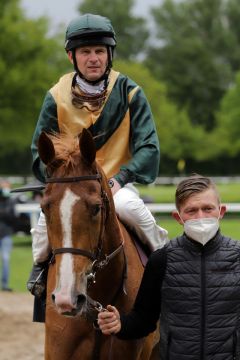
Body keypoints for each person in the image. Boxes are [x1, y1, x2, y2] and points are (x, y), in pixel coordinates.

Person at [27, 13, 168, 296]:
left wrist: (122, 177)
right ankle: (40, 271)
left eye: (100, 51)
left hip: (118, 186)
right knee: (43, 229)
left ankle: (168, 268)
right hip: (73, 185)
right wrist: (59, 179)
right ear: (72, 57)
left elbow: (148, 148)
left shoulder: (131, 93)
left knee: (133, 212)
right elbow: (37, 151)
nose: (94, 58)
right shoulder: (55, 95)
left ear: (109, 55)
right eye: (86, 52)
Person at [98, 174, 240, 360]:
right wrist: (120, 324)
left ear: (221, 211)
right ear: (178, 217)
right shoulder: (161, 260)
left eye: (207, 209)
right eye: (191, 211)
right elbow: (143, 320)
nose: (200, 217)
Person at [0, 181, 14, 292]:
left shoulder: (11, 201)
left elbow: (12, 216)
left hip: (6, 235)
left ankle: (4, 285)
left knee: (5, 259)